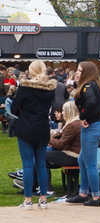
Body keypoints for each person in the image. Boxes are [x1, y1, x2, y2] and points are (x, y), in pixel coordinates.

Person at [12, 60, 56, 209]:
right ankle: (43, 200)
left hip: (26, 127)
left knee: (28, 164)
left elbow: (13, 108)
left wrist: (23, 112)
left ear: (31, 71)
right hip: (42, 127)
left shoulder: (25, 87)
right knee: (41, 165)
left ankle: (28, 201)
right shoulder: (50, 89)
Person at [67, 61, 100, 207]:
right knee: (82, 160)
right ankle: (83, 193)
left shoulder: (88, 86)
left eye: (79, 70)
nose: (76, 72)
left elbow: (91, 102)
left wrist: (83, 116)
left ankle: (95, 197)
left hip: (91, 128)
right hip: (98, 127)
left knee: (89, 163)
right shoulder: (95, 85)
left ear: (86, 72)